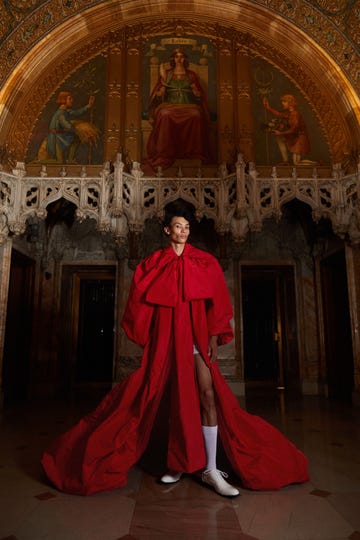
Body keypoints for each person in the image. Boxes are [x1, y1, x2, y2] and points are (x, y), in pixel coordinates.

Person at [41, 203, 309, 497]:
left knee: (208, 395)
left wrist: (214, 334)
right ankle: (178, 462)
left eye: (187, 227)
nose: (183, 232)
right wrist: (151, 338)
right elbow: (138, 306)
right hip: (167, 339)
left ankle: (209, 468)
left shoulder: (204, 262)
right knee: (164, 397)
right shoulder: (154, 263)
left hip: (196, 336)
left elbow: (217, 302)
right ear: (168, 230)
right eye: (178, 227)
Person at [143, 49, 214, 172]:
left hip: (188, 106)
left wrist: (195, 91)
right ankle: (164, 152)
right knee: (165, 114)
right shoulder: (167, 74)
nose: (179, 59)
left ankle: (193, 153)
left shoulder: (191, 75)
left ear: (185, 59)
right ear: (173, 59)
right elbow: (158, 95)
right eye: (176, 56)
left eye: (181, 56)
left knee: (196, 115)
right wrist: (161, 91)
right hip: (169, 105)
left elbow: (199, 96)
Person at [37, 91, 98, 164]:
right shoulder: (60, 113)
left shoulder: (66, 111)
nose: (72, 100)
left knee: (76, 140)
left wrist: (88, 106)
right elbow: (66, 125)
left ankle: (70, 160)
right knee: (59, 162)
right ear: (63, 100)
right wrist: (77, 129)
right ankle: (40, 162)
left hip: (61, 136)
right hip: (56, 138)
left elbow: (77, 112)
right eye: (70, 99)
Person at [263, 94, 310, 165]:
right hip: (294, 137)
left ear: (290, 103)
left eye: (284, 101)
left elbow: (293, 130)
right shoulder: (289, 113)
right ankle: (286, 161)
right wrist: (268, 108)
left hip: (299, 139)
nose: (282, 103)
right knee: (279, 138)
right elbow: (279, 114)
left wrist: (280, 133)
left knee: (297, 163)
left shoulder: (295, 115)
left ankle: (314, 164)